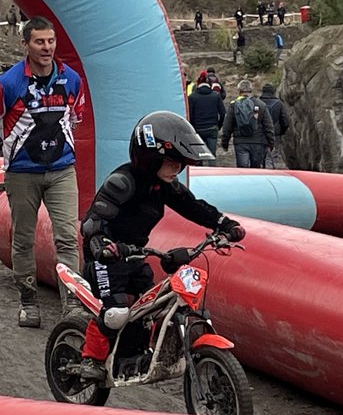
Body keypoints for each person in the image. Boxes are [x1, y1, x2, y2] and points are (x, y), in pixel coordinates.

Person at [77, 111, 246, 381]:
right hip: (106, 259)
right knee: (116, 313)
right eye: (171, 162)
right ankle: (91, 360)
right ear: (150, 158)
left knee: (151, 308)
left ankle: (133, 356)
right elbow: (93, 221)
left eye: (180, 164)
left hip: (134, 256)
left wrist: (223, 223)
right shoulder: (122, 182)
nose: (176, 169)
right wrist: (102, 244)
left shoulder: (163, 185)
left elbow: (193, 206)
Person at [0, 16, 84, 328]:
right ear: (26, 45)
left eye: (51, 41)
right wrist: (3, 147)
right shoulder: (8, 84)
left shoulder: (71, 79)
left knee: (67, 238)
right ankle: (28, 302)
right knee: (22, 239)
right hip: (22, 172)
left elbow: (76, 116)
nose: (47, 47)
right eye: (39, 41)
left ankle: (73, 306)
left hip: (62, 169)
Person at [220, 79, 275, 168]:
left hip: (240, 142)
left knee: (242, 171)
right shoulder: (261, 104)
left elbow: (227, 126)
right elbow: (268, 125)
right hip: (257, 141)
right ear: (251, 90)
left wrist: (224, 143)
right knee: (256, 170)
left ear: (239, 90)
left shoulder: (234, 105)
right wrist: (271, 142)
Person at [187, 76, 226, 163]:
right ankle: (213, 174)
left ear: (197, 84)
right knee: (212, 156)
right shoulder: (216, 96)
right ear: (209, 84)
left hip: (197, 129)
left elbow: (190, 115)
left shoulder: (192, 97)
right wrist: (218, 125)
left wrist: (192, 127)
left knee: (197, 156)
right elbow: (223, 113)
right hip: (212, 128)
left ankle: (198, 174)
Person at [259, 83, 290, 168]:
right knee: (273, 155)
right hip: (275, 133)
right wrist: (281, 131)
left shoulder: (258, 102)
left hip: (259, 133)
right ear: (273, 92)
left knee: (260, 155)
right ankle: (272, 173)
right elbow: (285, 121)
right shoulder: (279, 104)